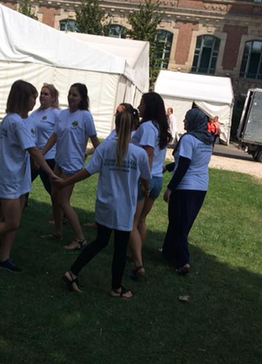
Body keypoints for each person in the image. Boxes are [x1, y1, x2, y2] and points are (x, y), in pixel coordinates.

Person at [57, 109, 150, 298]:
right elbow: (146, 177)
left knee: (100, 241)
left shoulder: (105, 148)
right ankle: (116, 288)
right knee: (120, 248)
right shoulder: (139, 153)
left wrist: (66, 182)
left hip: (105, 204)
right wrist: (145, 188)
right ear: (134, 127)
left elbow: (88, 171)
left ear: (116, 125)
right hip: (124, 207)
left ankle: (72, 272)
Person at [0, 80, 57, 272]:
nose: (35, 101)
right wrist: (51, 173)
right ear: (22, 98)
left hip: (21, 177)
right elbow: (33, 150)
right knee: (12, 222)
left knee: (13, 223)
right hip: (8, 177)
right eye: (33, 97)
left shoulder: (21, 120)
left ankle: (4, 258)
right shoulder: (14, 121)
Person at [41, 83, 100, 250]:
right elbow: (55, 136)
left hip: (72, 164)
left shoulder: (85, 116)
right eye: (69, 94)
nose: (71, 97)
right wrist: (42, 153)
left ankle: (80, 239)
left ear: (82, 98)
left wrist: (99, 160)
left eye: (75, 95)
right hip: (59, 161)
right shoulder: (63, 114)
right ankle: (57, 231)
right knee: (54, 197)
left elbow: (96, 142)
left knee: (63, 201)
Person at [162, 107, 214, 275]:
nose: (184, 121)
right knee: (183, 222)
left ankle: (183, 261)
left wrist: (170, 188)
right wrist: (167, 167)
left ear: (193, 122)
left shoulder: (188, 139)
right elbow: (192, 162)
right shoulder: (208, 140)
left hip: (185, 186)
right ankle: (168, 252)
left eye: (186, 119)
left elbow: (184, 165)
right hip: (201, 187)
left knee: (178, 223)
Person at [128, 92, 172, 280]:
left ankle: (137, 262)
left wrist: (143, 180)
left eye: (142, 103)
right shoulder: (160, 127)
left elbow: (148, 155)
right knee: (141, 221)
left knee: (132, 222)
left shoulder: (146, 127)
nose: (139, 106)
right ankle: (134, 254)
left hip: (145, 179)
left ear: (149, 106)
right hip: (157, 179)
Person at [29, 83, 60, 195]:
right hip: (33, 156)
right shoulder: (34, 114)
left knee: (53, 190)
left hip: (49, 158)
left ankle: (61, 206)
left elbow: (59, 136)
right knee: (23, 184)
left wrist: (41, 155)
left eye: (46, 94)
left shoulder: (56, 113)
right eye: (41, 93)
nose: (42, 96)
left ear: (53, 98)